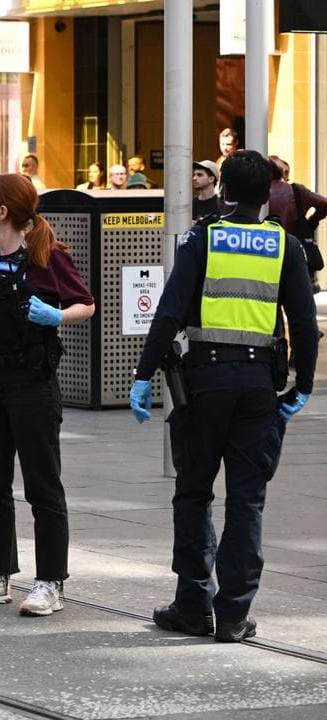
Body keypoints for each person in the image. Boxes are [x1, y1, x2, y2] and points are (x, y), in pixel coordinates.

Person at [129, 150, 318, 643]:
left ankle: (193, 603)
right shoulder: (285, 246)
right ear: (268, 195)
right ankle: (233, 614)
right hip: (259, 388)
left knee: (193, 493)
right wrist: (305, 384)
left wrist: (143, 374)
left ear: (225, 191)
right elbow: (304, 325)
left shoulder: (202, 237)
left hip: (204, 385)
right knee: (247, 501)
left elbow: (169, 313)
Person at [0, 173, 95, 616]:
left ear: (4, 211)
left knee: (42, 486)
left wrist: (56, 315)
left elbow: (85, 303)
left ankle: (51, 582)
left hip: (30, 383)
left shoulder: (45, 256)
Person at [266, 155, 327, 291]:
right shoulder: (296, 191)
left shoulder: (257, 191)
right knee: (300, 307)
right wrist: (312, 222)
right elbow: (324, 203)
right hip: (294, 254)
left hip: (267, 253)